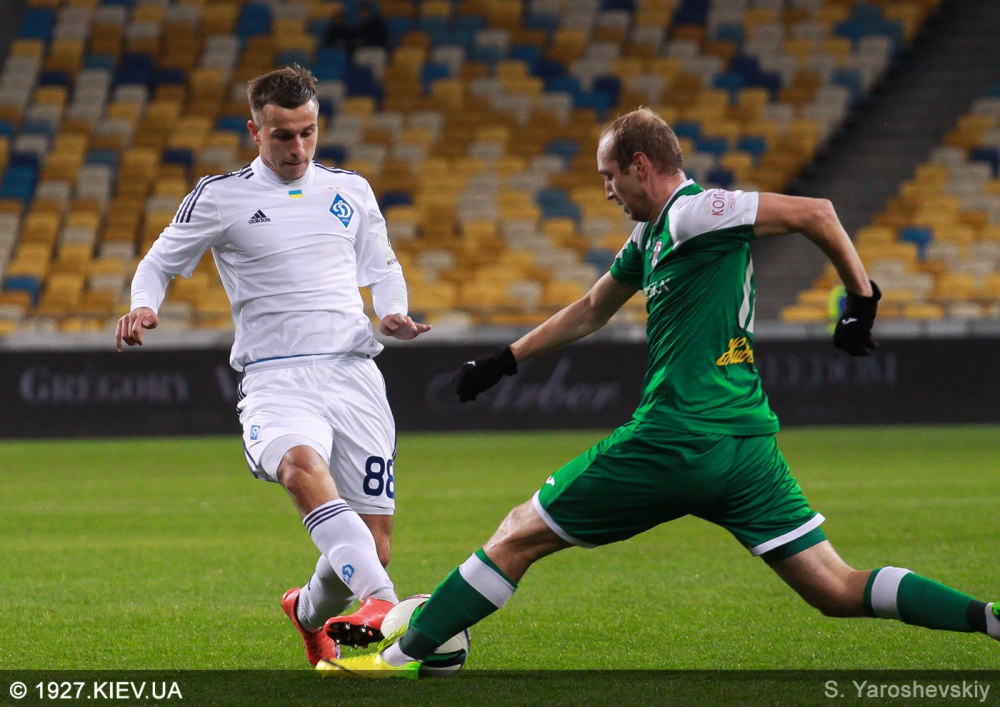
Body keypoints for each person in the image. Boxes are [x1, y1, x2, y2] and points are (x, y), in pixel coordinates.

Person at [315, 107, 1000, 677]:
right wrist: (505, 359)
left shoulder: (695, 212)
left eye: (609, 176)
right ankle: (990, 618)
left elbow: (815, 211)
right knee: (834, 586)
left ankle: (396, 657)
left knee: (520, 532)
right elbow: (593, 307)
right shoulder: (650, 237)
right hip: (744, 446)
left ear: (641, 165)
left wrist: (861, 299)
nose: (606, 191)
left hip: (677, 436)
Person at [115, 65, 431, 667]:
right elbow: (157, 263)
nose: (298, 148)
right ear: (255, 131)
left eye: (308, 133)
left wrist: (392, 312)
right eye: (283, 135)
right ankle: (385, 605)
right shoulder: (219, 196)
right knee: (299, 468)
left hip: (354, 373)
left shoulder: (351, 190)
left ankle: (307, 611)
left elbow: (383, 267)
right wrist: (143, 305)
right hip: (276, 378)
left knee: (373, 546)